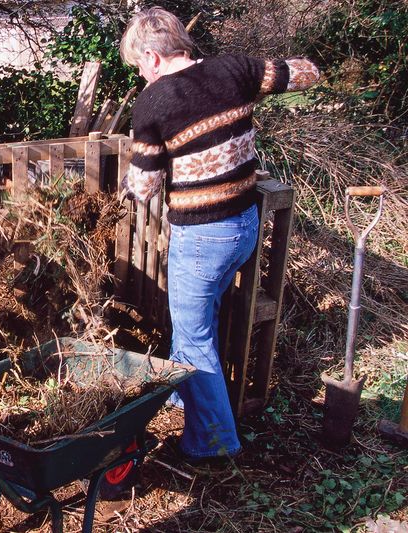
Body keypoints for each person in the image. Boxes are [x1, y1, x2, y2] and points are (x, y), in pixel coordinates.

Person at [118, 8, 319, 461]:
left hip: (202, 238)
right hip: (245, 227)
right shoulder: (234, 69)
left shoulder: (153, 103)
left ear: (152, 57)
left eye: (138, 65)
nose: (139, 73)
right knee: (196, 322)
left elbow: (147, 187)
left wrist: (129, 183)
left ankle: (213, 444)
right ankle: (177, 396)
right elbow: (305, 74)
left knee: (195, 336)